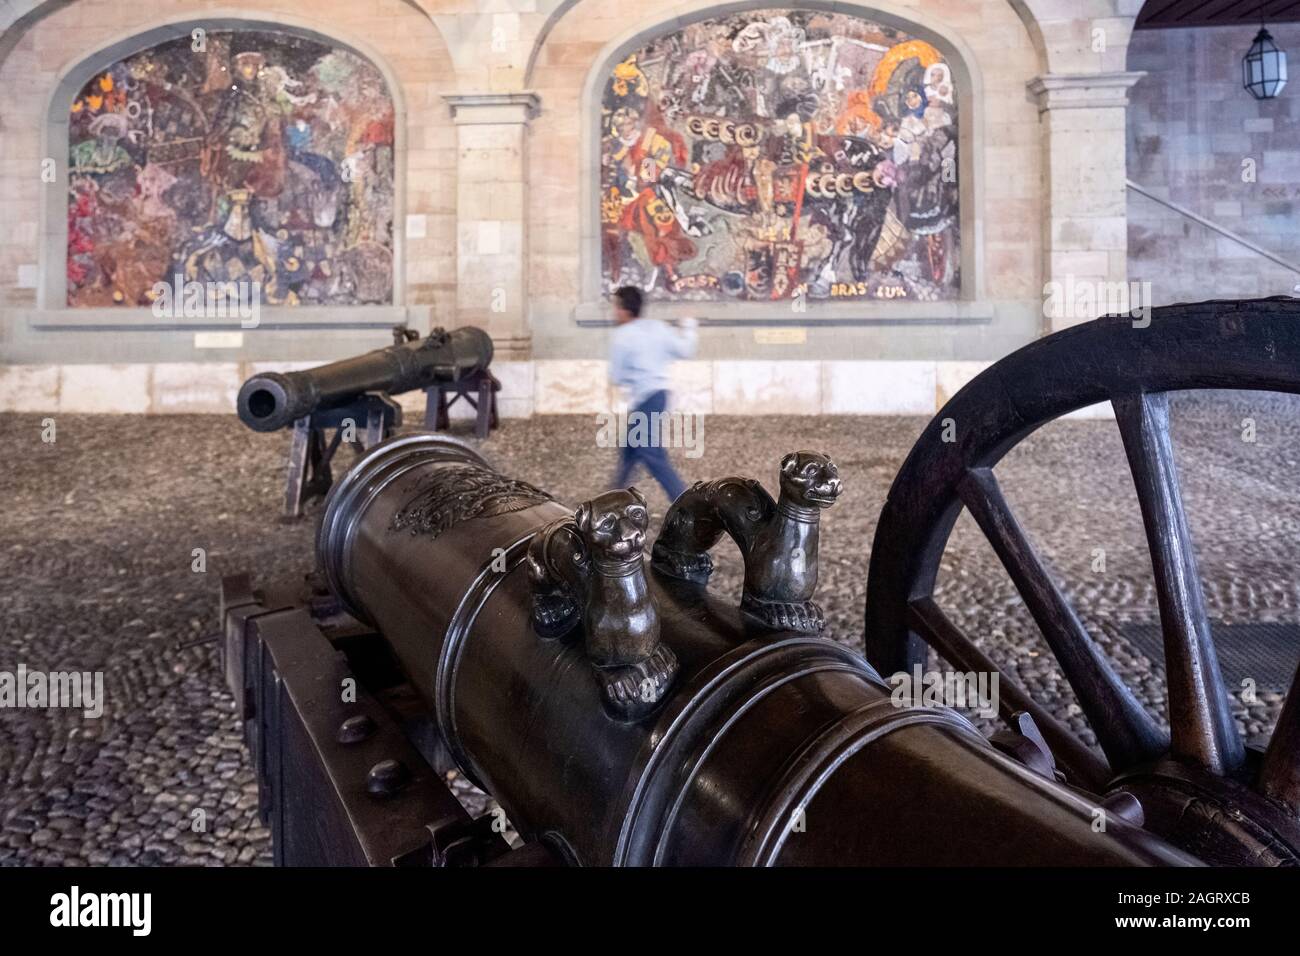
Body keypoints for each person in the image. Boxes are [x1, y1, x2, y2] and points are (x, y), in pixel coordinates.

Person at [607, 285, 697, 502]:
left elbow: (617, 376)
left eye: (616, 307)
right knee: (630, 450)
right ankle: (612, 498)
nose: (614, 312)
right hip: (660, 396)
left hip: (644, 399)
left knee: (651, 453)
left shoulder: (621, 336)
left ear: (624, 310)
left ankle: (685, 503)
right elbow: (685, 350)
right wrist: (689, 324)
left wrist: (629, 378)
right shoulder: (657, 328)